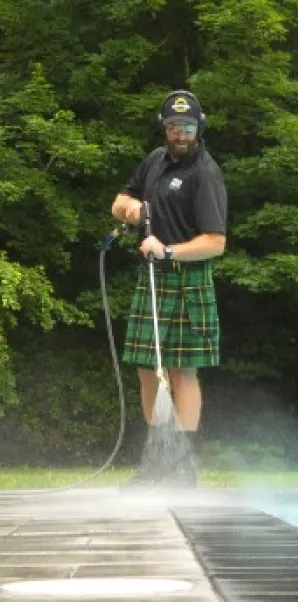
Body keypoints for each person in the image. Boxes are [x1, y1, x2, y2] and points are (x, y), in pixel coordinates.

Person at [111, 90, 227, 487]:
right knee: (147, 370)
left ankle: (184, 466)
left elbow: (215, 242)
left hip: (186, 279)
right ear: (165, 128)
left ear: (199, 128)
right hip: (153, 279)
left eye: (188, 127)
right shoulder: (155, 162)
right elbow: (122, 198)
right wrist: (129, 209)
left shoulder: (205, 174)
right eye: (174, 126)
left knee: (182, 372)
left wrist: (167, 251)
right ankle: (155, 463)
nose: (181, 133)